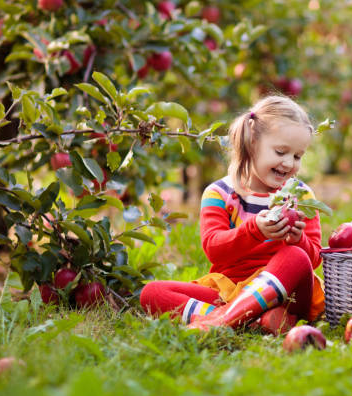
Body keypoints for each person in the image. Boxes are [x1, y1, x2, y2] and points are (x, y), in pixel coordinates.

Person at [139, 95, 325, 331]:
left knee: (295, 258)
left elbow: (314, 259)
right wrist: (255, 230)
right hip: (230, 290)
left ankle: (220, 321)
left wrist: (298, 240)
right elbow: (214, 249)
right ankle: (250, 320)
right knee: (152, 292)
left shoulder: (300, 197)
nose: (289, 163)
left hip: (285, 293)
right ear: (252, 143)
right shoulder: (220, 194)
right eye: (280, 152)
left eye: (297, 156)